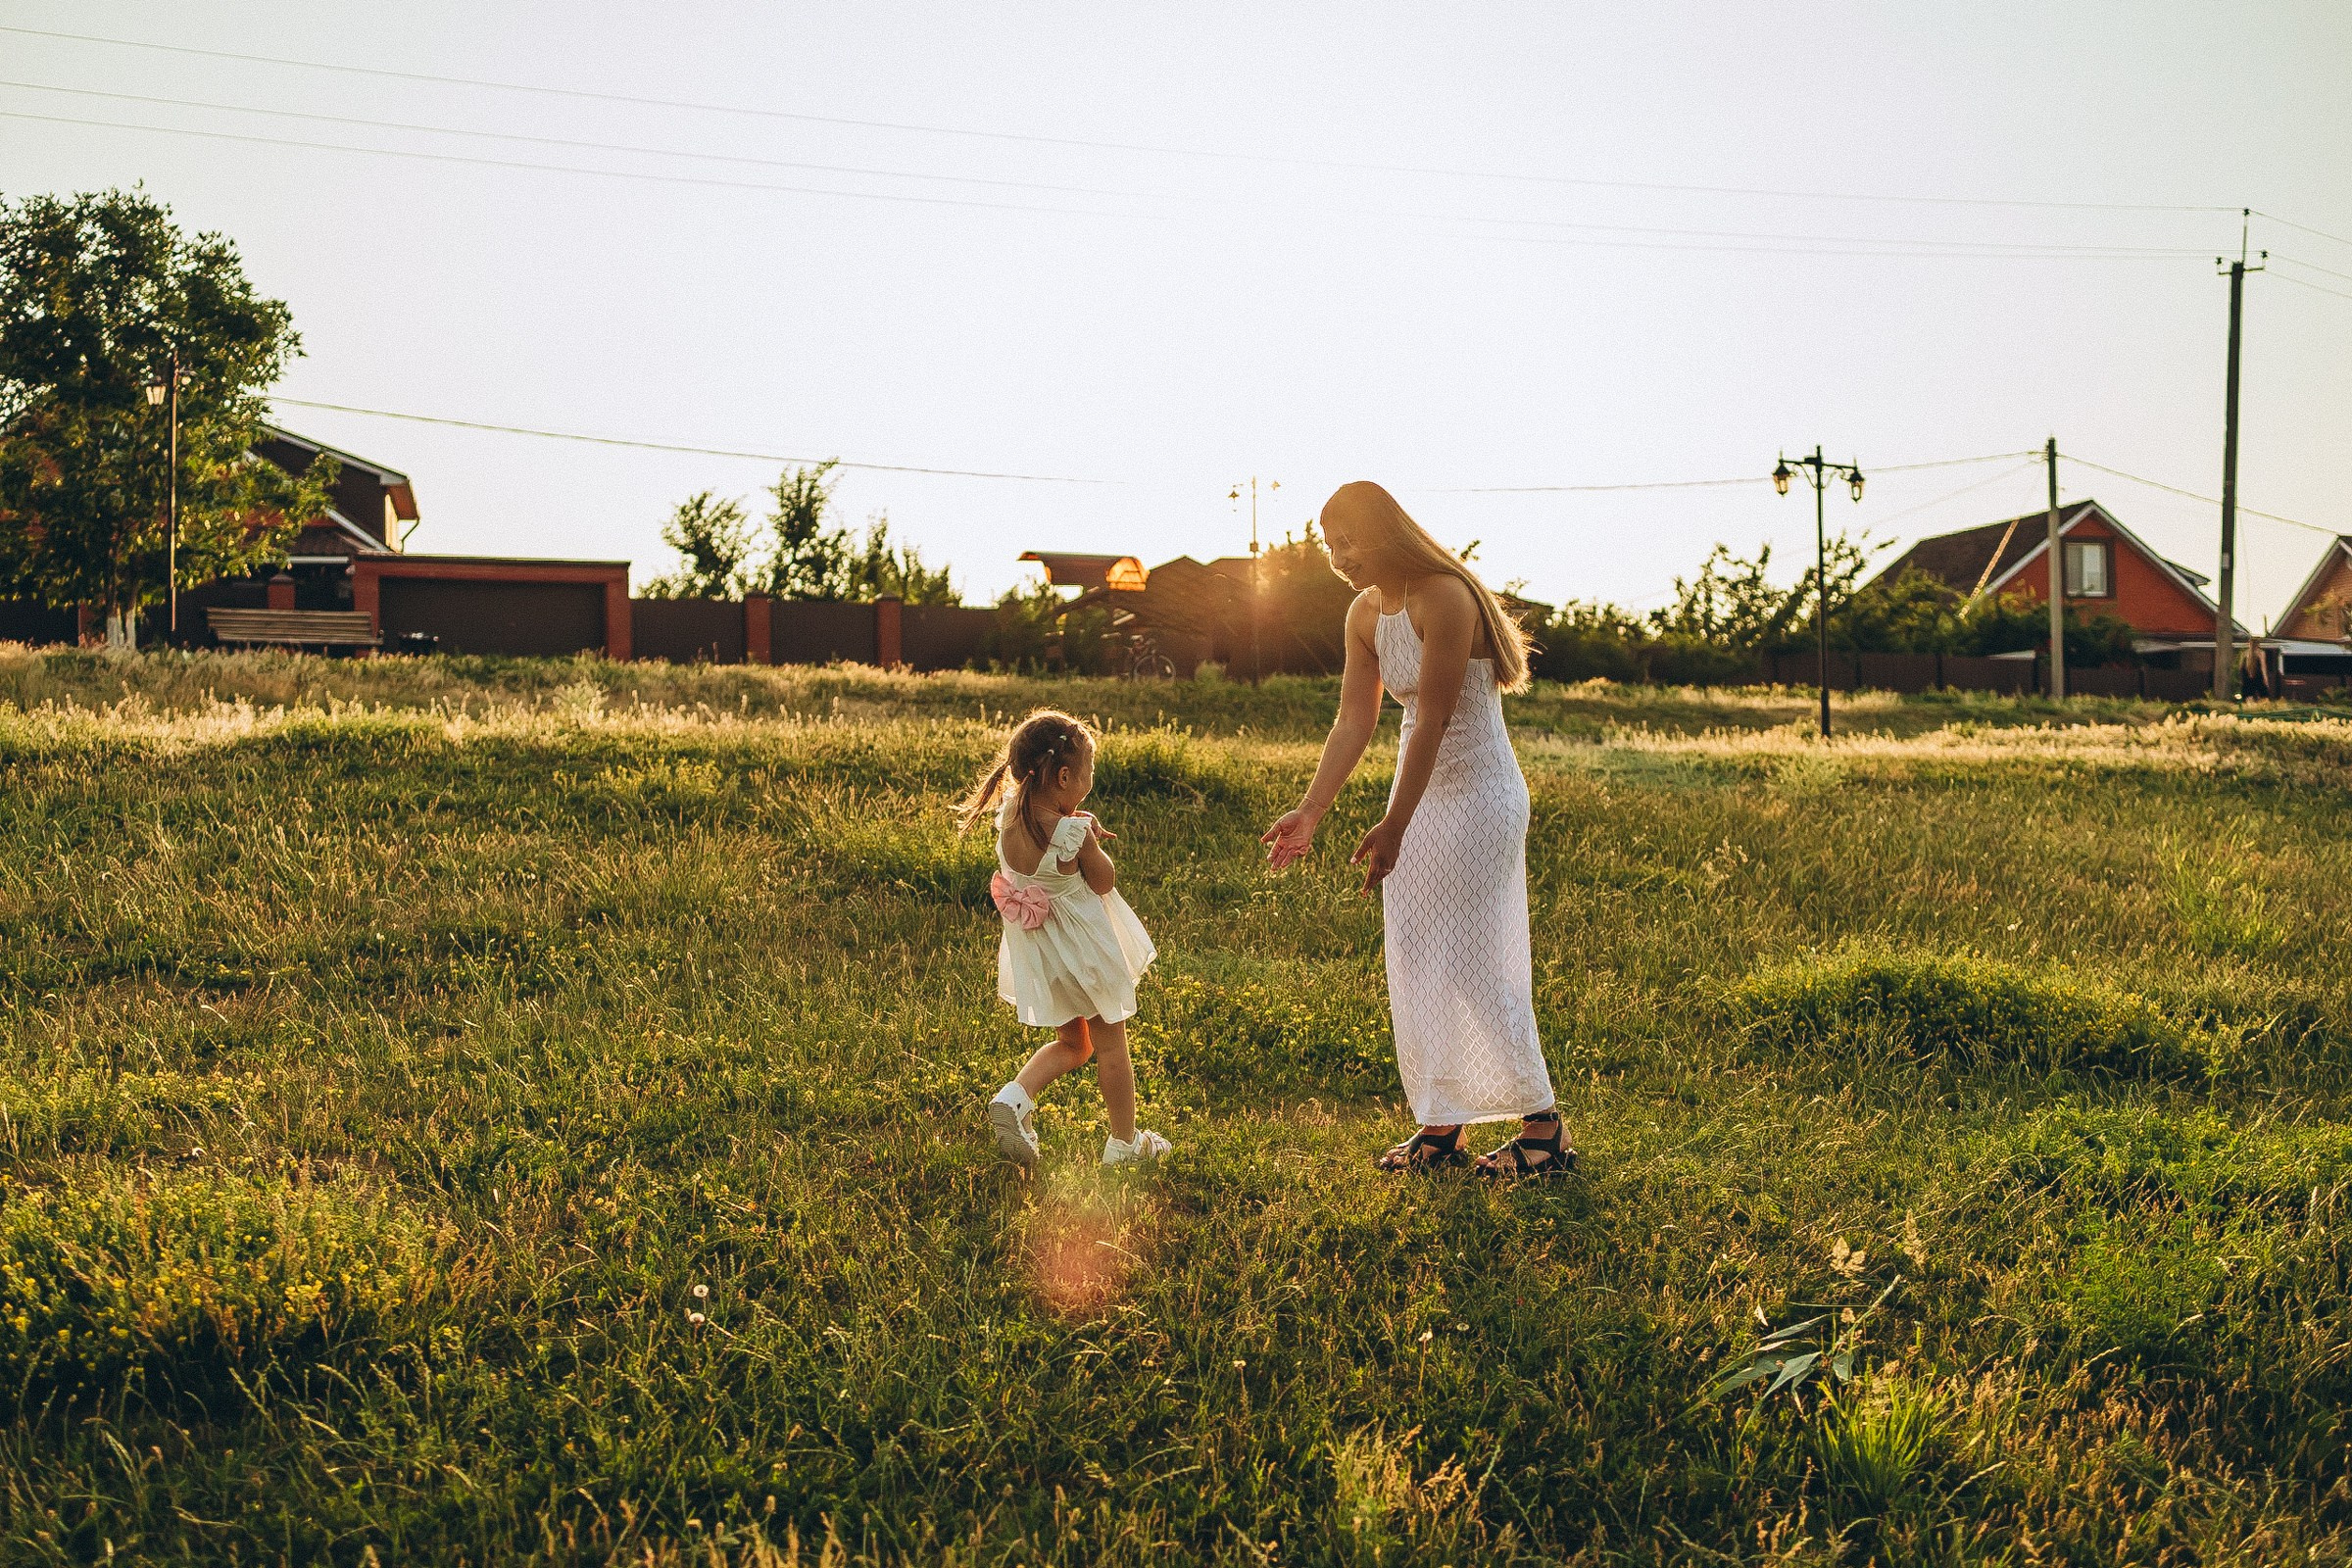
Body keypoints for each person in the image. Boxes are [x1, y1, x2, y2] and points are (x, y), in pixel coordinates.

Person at [1261, 481, 1568, 1178]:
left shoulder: (1445, 597)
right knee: (1419, 956)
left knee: (1475, 959)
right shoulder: (1364, 613)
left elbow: (1433, 717)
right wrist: (1311, 810)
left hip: (1479, 797)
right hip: (1418, 799)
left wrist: (1394, 824)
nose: (1338, 557)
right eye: (1330, 545)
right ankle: (1442, 1123)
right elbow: (1354, 719)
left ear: (1384, 534)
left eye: (1348, 541)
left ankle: (1544, 1130)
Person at [958, 709, 1168, 1168]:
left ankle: (1015, 1097)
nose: (1090, 781)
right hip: (1086, 956)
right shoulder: (1072, 834)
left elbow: (1046, 833)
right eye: (1087, 773)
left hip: (1045, 956)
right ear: (1064, 776)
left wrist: (1077, 820)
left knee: (1076, 1044)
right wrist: (1089, 840)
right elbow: (1104, 881)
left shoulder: (1010, 815)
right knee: (1111, 1047)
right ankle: (1125, 1144)